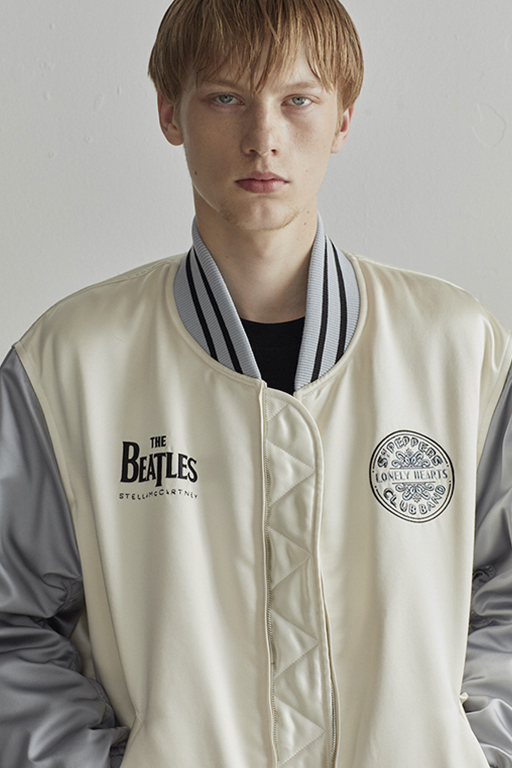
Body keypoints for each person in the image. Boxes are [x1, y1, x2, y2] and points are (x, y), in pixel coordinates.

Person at [1, 0, 512, 766]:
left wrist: (477, 752)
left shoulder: (459, 348)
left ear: (343, 119)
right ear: (170, 113)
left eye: (297, 99)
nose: (263, 136)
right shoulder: (68, 364)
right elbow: (11, 623)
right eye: (225, 97)